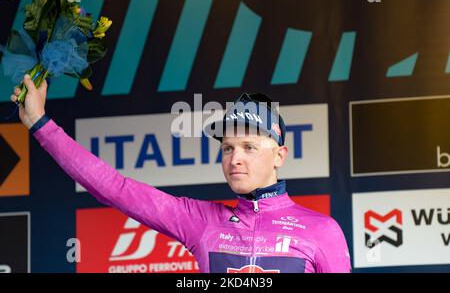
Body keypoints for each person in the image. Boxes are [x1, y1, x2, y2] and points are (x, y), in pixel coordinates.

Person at [10, 74, 352, 273]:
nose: (235, 159)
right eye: (228, 148)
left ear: (280, 155)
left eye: (249, 148)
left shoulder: (322, 231)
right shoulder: (201, 221)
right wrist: (41, 125)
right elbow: (115, 188)